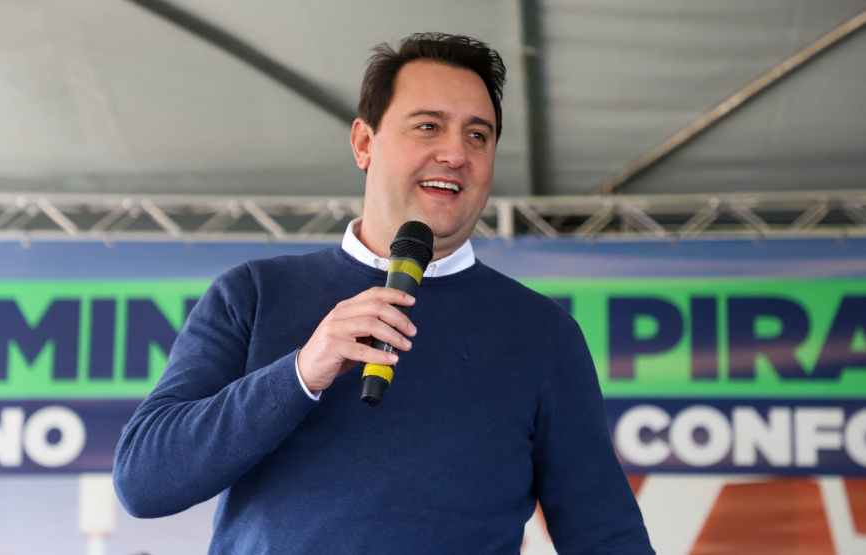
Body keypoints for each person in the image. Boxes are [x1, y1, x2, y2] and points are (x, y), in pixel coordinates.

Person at [113, 32, 654, 554]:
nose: (455, 154)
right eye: (428, 126)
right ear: (363, 142)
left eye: (478, 135)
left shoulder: (542, 335)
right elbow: (145, 482)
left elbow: (605, 536)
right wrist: (302, 371)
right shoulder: (253, 294)